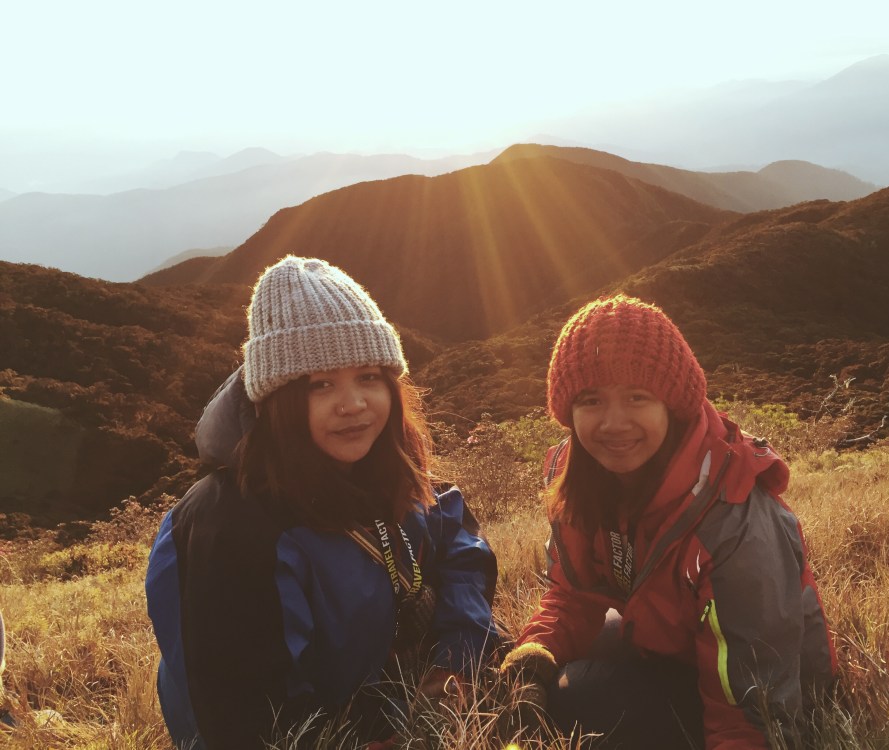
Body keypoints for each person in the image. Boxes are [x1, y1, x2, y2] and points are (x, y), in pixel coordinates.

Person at [146, 256, 501, 749]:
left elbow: (460, 546)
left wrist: (456, 660)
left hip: (379, 697)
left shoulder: (380, 466)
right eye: (322, 384)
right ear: (278, 400)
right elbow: (244, 716)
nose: (352, 403)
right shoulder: (233, 526)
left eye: (369, 377)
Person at [499, 295, 837, 749]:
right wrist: (534, 657)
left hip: (771, 693)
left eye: (637, 397)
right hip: (676, 646)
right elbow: (573, 595)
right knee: (555, 671)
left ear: (672, 404)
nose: (613, 423)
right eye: (591, 400)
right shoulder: (584, 479)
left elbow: (755, 706)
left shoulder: (729, 515)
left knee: (577, 696)